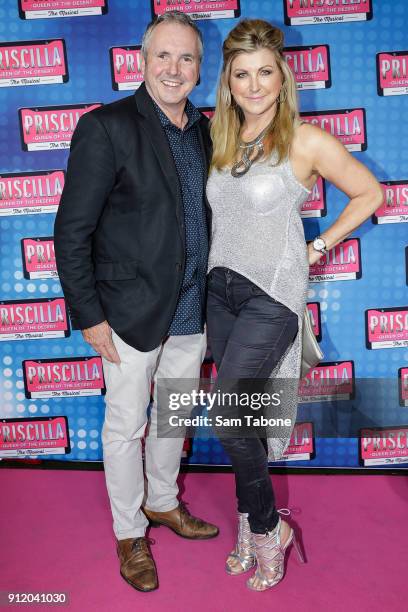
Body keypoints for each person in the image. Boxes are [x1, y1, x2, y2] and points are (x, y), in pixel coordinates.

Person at [206, 19, 383, 592]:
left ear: (282, 78)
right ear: (227, 83)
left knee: (228, 417)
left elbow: (370, 193)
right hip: (220, 293)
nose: (254, 85)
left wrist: (320, 245)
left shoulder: (304, 141)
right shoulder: (218, 136)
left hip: (273, 296)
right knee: (245, 420)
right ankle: (249, 520)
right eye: (242, 75)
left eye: (265, 73)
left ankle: (266, 531)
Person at [54, 11, 218, 594]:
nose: (175, 69)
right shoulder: (107, 127)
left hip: (192, 307)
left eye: (187, 58)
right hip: (126, 310)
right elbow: (72, 231)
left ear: (201, 67)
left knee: (174, 418)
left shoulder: (206, 129)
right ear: (141, 62)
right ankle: (129, 532)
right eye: (163, 56)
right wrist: (89, 314)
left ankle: (164, 503)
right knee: (126, 426)